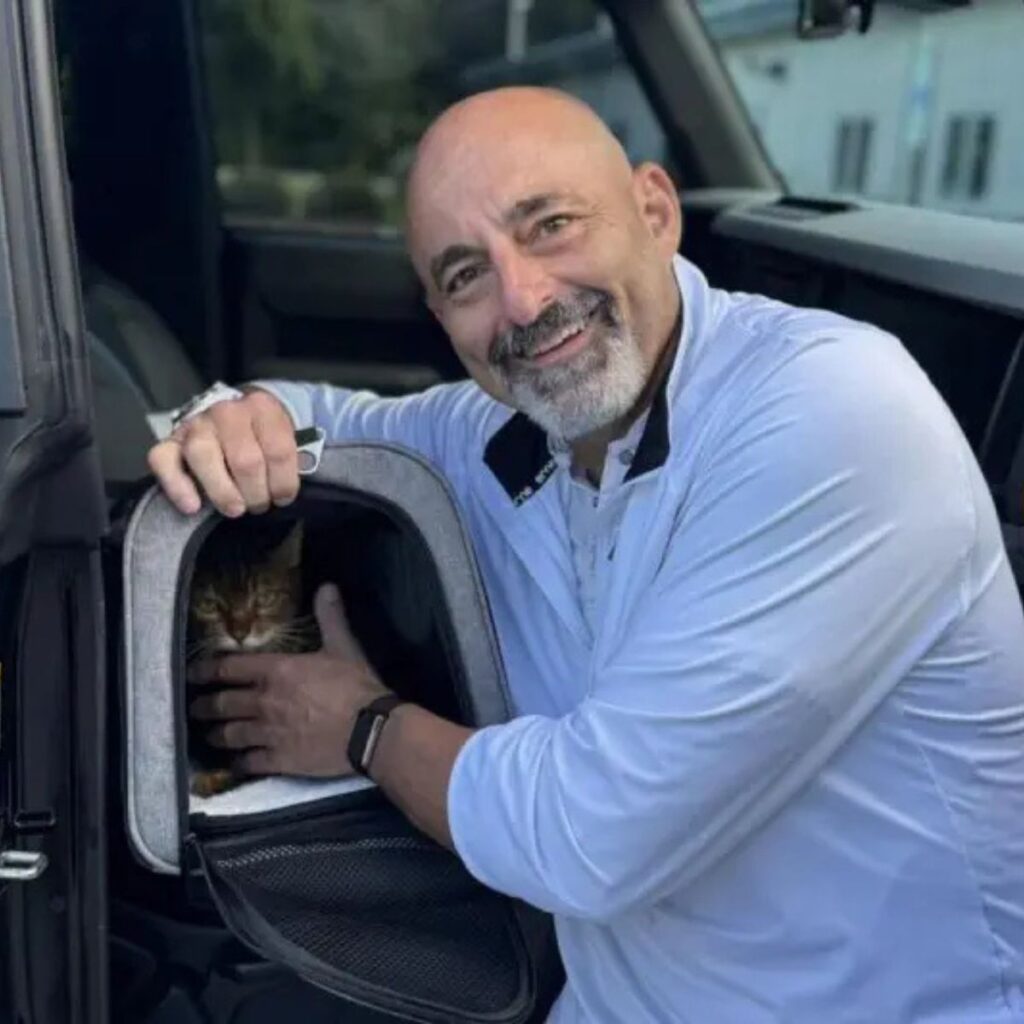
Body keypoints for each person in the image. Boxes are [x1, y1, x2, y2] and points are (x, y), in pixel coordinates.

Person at [149, 87, 1024, 1022]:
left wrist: (363, 728)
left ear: (656, 212)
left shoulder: (830, 411)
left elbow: (590, 834)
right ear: (441, 319)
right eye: (466, 276)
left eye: (552, 225)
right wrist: (230, 419)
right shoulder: (498, 429)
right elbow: (313, 418)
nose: (524, 300)